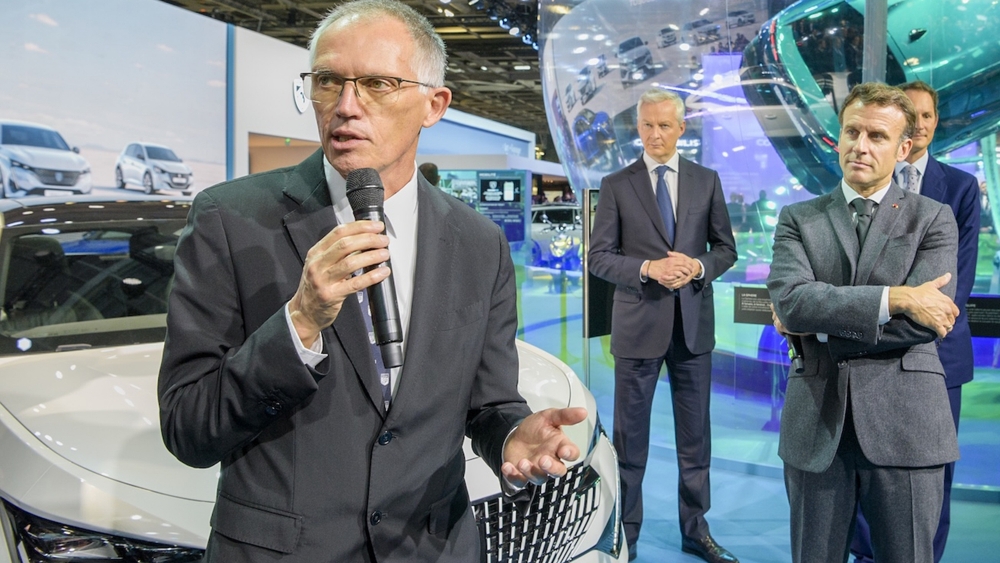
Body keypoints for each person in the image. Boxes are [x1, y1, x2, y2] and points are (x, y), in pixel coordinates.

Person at [157, 1, 586, 561]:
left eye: (378, 84)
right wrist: (299, 322)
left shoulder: (479, 243)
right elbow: (189, 427)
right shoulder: (229, 220)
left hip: (433, 547)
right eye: (327, 81)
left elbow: (488, 402)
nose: (345, 106)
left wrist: (510, 434)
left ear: (434, 105)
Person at [767, 82, 961, 563]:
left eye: (877, 136)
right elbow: (791, 303)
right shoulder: (798, 219)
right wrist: (896, 298)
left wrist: (818, 328)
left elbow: (925, 324)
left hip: (907, 425)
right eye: (852, 132)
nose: (861, 145)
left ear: (904, 148)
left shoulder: (933, 219)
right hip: (817, 424)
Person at [589, 88, 738, 563]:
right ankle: (625, 533)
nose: (655, 134)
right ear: (638, 128)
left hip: (693, 331)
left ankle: (696, 530)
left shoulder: (706, 180)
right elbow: (598, 257)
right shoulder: (617, 184)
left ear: (681, 128)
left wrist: (697, 266)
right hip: (638, 329)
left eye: (664, 125)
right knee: (630, 442)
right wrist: (648, 269)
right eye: (647, 125)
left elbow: (726, 249)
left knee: (695, 441)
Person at [850, 80, 981, 563]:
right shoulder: (860, 183)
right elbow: (851, 281)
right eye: (913, 116)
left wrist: (875, 315)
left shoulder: (960, 189)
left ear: (935, 121)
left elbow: (950, 288)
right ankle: (867, 554)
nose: (921, 124)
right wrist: (890, 307)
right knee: (866, 464)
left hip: (939, 355)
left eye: (928, 115)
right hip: (867, 357)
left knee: (932, 475)